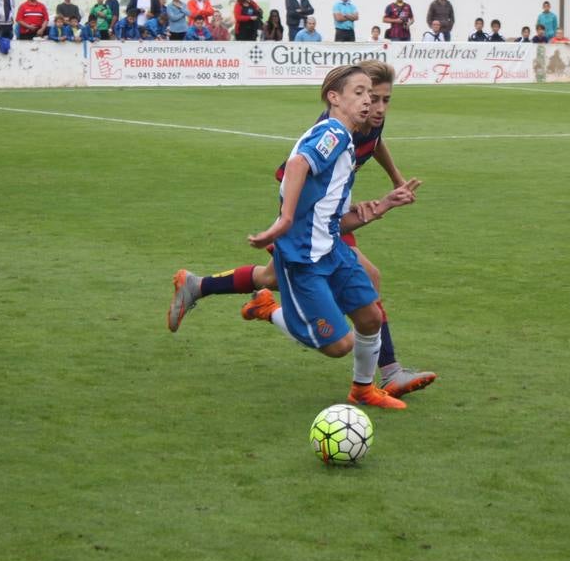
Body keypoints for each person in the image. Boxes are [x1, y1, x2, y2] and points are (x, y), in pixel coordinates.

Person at [169, 59, 435, 399]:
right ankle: (383, 370)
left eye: (381, 98)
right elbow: (296, 166)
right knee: (347, 316)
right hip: (307, 231)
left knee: (278, 281)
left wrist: (382, 202)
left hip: (325, 226)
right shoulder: (335, 130)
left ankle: (200, 285)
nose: (375, 104)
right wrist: (288, 219)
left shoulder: (360, 126)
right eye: (365, 94)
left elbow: (362, 163)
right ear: (336, 98)